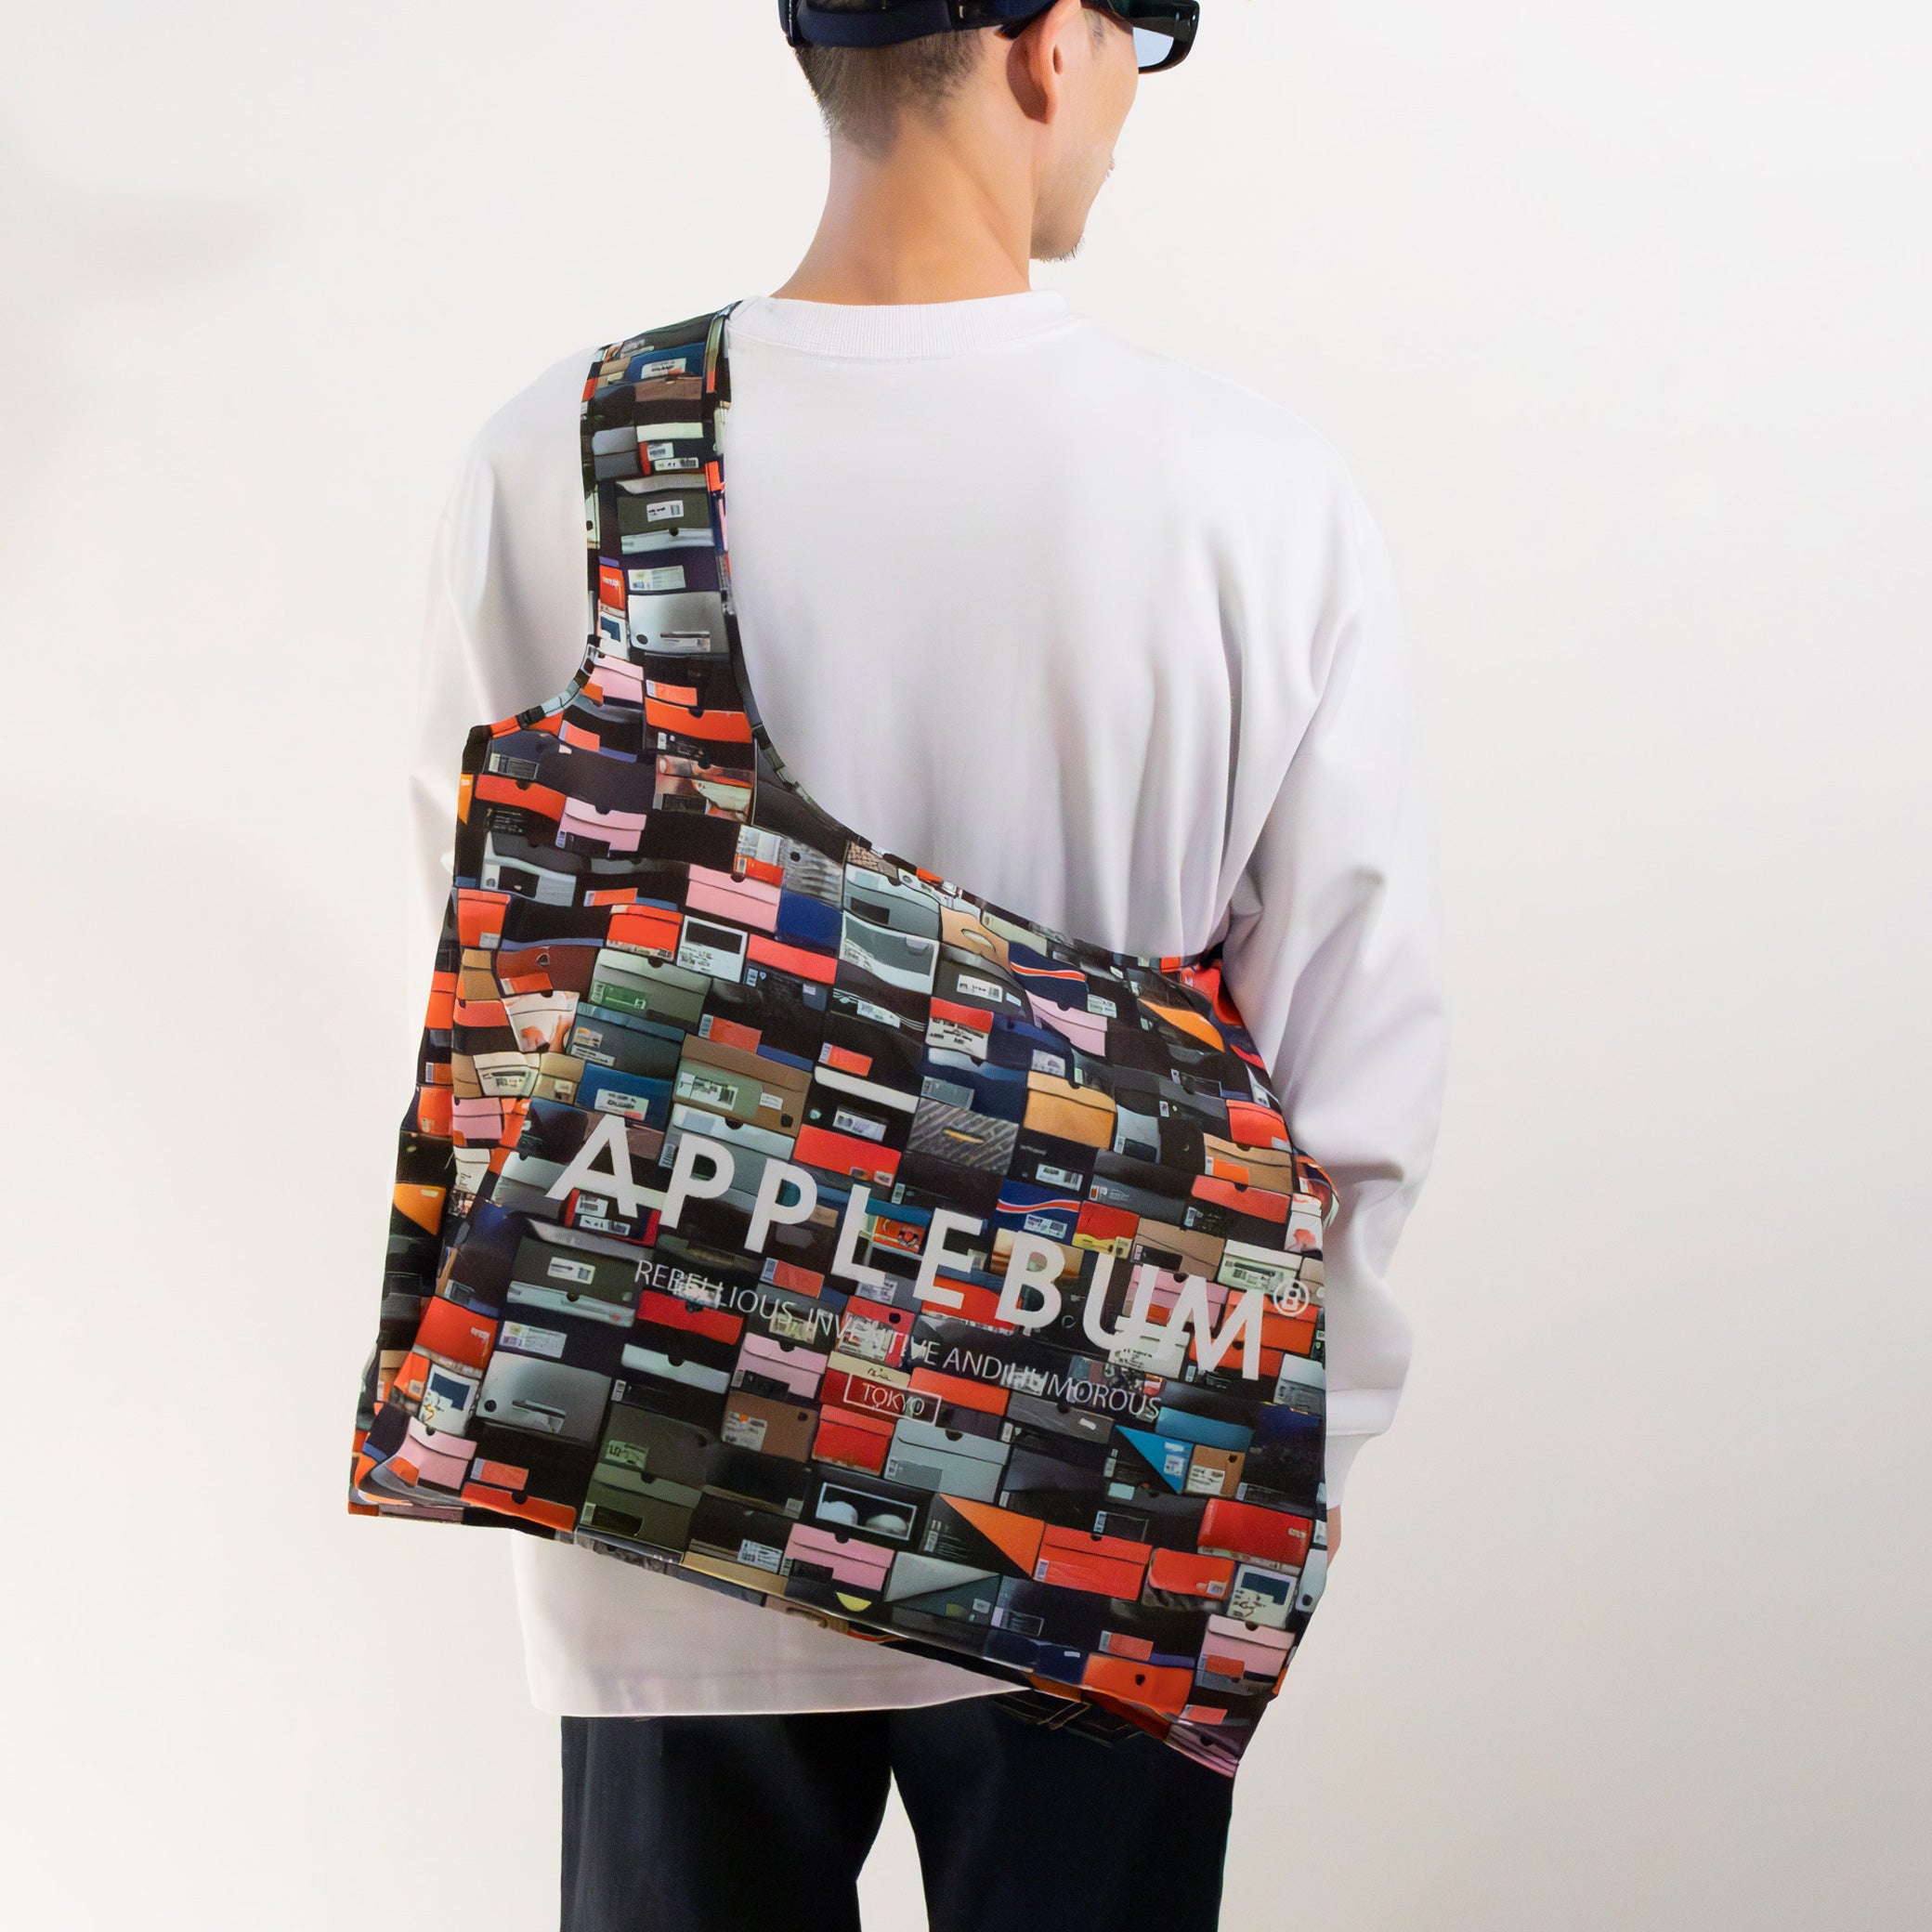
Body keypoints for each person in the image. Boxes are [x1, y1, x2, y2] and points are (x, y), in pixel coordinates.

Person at [402, 5, 1447, 1926]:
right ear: (1046, 50)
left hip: (661, 1481)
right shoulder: (1251, 490)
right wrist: (1288, 1476)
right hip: (1112, 1495)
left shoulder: (570, 455)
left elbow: (486, 994)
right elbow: (1354, 1063)